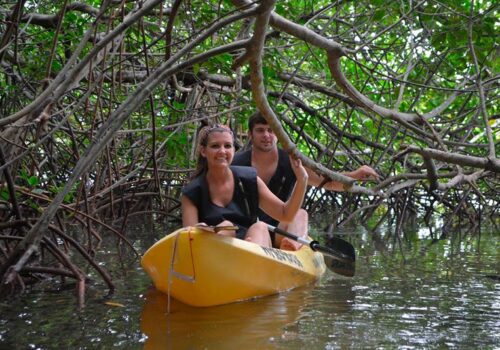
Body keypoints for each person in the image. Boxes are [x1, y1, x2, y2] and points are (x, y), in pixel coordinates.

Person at [232, 112, 379, 250]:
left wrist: (355, 175)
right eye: (260, 130)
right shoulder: (235, 163)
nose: (266, 135)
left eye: (271, 130)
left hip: (281, 230)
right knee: (259, 228)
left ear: (278, 134)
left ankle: (290, 252)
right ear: (250, 134)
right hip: (247, 231)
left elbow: (328, 182)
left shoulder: (293, 161)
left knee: (300, 214)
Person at [181, 124, 309, 248]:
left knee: (260, 227)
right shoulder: (191, 192)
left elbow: (285, 213)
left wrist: (302, 179)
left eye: (227, 146)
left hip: (251, 245)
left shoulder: (249, 179)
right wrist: (201, 230)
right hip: (215, 248)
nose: (222, 151)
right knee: (226, 226)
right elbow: (190, 241)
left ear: (233, 150)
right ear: (204, 151)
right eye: (215, 146)